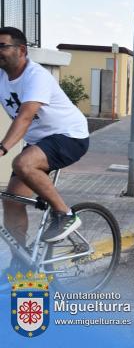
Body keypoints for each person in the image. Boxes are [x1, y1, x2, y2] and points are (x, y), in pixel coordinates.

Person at [0, 27, 89, 281]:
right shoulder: (2, 77)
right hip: (42, 141)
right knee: (12, 199)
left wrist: (3, 147)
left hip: (70, 136)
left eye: (2, 46)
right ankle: (22, 262)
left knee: (23, 163)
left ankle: (66, 214)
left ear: (21, 50)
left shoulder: (35, 76)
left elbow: (26, 116)